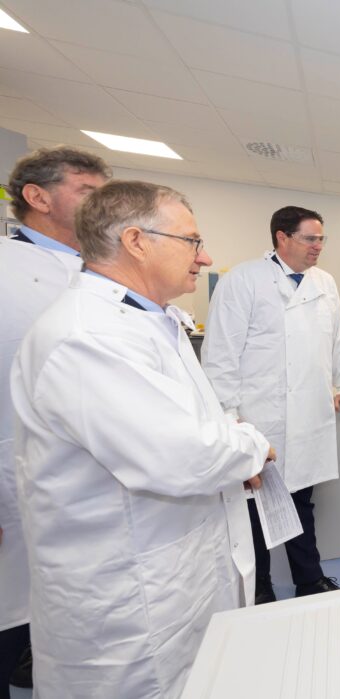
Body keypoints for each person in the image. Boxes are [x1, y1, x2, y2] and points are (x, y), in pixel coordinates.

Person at [9, 180, 272, 697]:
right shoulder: (87, 334)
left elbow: (190, 426)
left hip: (173, 573)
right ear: (136, 240)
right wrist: (253, 446)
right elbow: (182, 455)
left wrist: (229, 439)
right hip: (128, 601)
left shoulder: (151, 322)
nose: (205, 257)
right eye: (192, 242)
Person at [202, 205, 340, 603]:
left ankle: (309, 578)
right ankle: (261, 589)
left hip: (308, 416)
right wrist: (228, 418)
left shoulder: (324, 282)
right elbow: (221, 354)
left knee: (302, 504)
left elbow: (337, 339)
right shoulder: (243, 280)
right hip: (260, 418)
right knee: (255, 511)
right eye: (310, 238)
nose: (318, 246)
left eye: (322, 238)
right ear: (282, 238)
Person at [0, 146, 110, 697]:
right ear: (37, 198)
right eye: (87, 192)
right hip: (12, 472)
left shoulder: (99, 272)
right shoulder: (5, 269)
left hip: (89, 479)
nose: (103, 203)